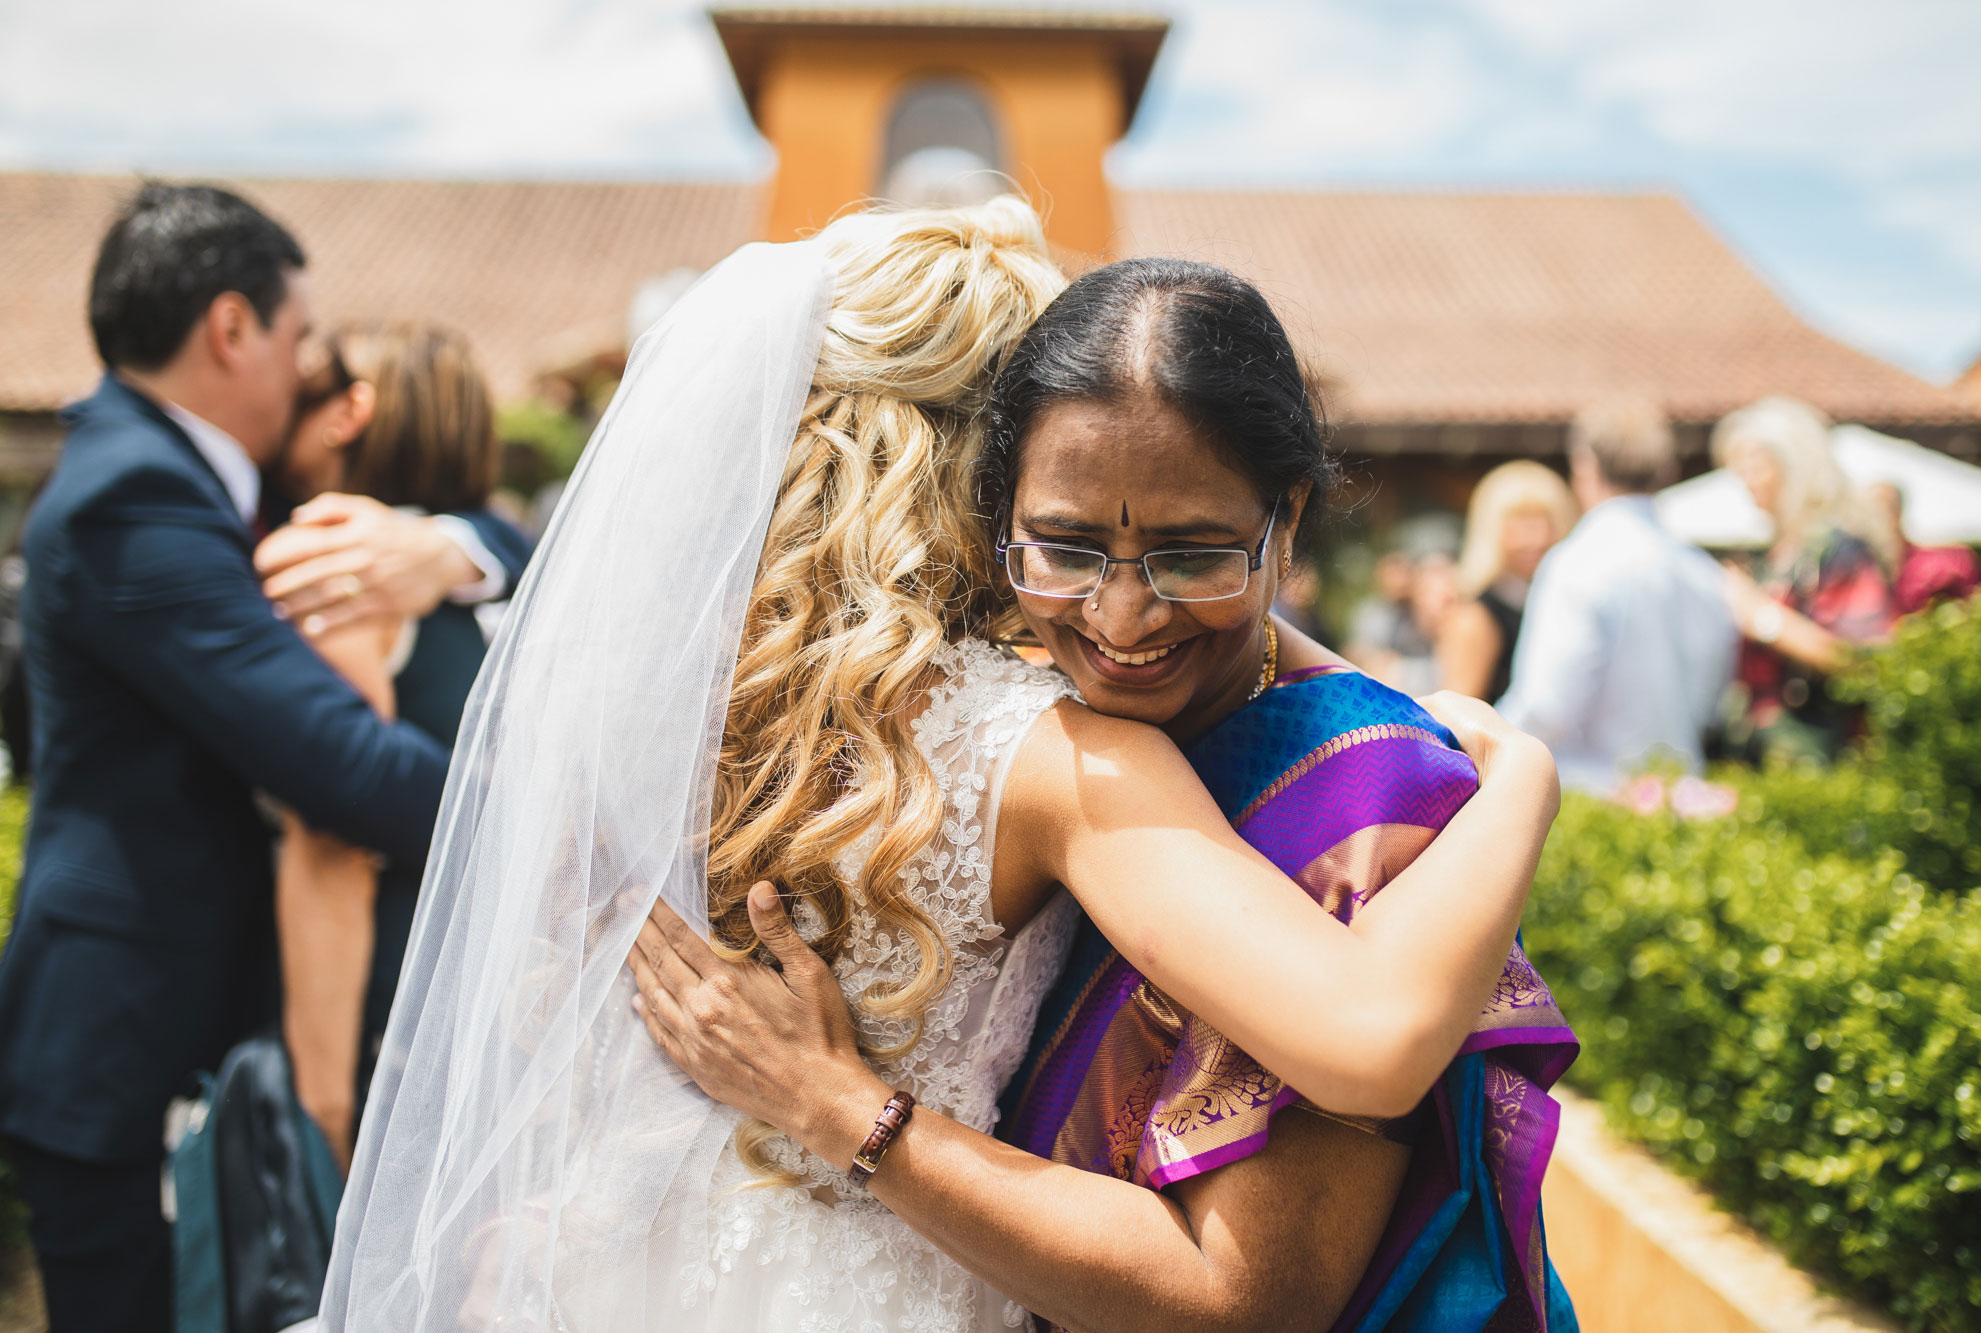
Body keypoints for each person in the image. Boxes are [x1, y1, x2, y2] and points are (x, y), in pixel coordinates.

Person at [322, 205, 1562, 1330]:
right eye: (1066, 542)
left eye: (1189, 552)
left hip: (608, 1269)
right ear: (990, 486)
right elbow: (1368, 1039)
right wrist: (1519, 782)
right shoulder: (1047, 754)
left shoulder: (661, 697)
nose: (1122, 621)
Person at [0, 183, 520, 1333]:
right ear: (232, 329)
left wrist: (445, 546)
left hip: (198, 1024)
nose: (304, 372)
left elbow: (499, 525)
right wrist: (543, 833)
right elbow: (339, 767)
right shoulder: (134, 498)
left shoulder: (210, 485)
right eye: (296, 338)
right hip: (125, 1045)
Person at [271, 322, 526, 1168]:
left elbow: (332, 840)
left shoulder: (338, 563)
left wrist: (325, 1102)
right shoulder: (515, 584)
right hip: (511, 988)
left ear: (351, 412)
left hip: (390, 995)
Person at [1499, 396, 1736, 794]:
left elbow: (1546, 707)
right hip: (1682, 791)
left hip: (1595, 796)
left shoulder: (1578, 561)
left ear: (1585, 464)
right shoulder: (1700, 569)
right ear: (1665, 469)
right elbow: (1712, 703)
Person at [1711, 396, 1896, 762]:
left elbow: (1862, 660)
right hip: (1760, 755)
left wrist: (1760, 617)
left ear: (1795, 464)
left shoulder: (1838, 548)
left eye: (1755, 465)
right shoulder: (1770, 554)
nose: (1745, 479)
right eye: (1739, 467)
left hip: (1820, 759)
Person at [1436, 460, 1577, 702]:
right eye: (1523, 523)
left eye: (1547, 520)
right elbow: (1457, 713)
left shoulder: (1554, 602)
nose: (1538, 537)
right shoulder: (1475, 616)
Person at [1866, 479, 1981, 617]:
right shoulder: (1863, 575)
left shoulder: (1946, 563)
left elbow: (1978, 613)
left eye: (1880, 511)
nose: (1872, 522)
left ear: (1897, 511)